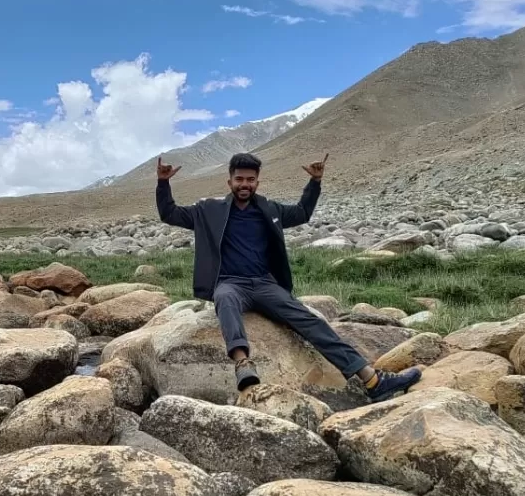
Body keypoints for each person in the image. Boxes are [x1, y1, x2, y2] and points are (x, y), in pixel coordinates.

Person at [155, 151, 422, 400]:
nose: (245, 184)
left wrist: (315, 182)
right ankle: (242, 363)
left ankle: (372, 381)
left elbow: (302, 213)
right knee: (223, 299)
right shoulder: (208, 210)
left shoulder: (269, 209)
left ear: (258, 182)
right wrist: (163, 183)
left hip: (264, 284)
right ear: (229, 181)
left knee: (309, 320)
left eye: (250, 179)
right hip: (230, 283)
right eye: (239, 179)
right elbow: (170, 213)